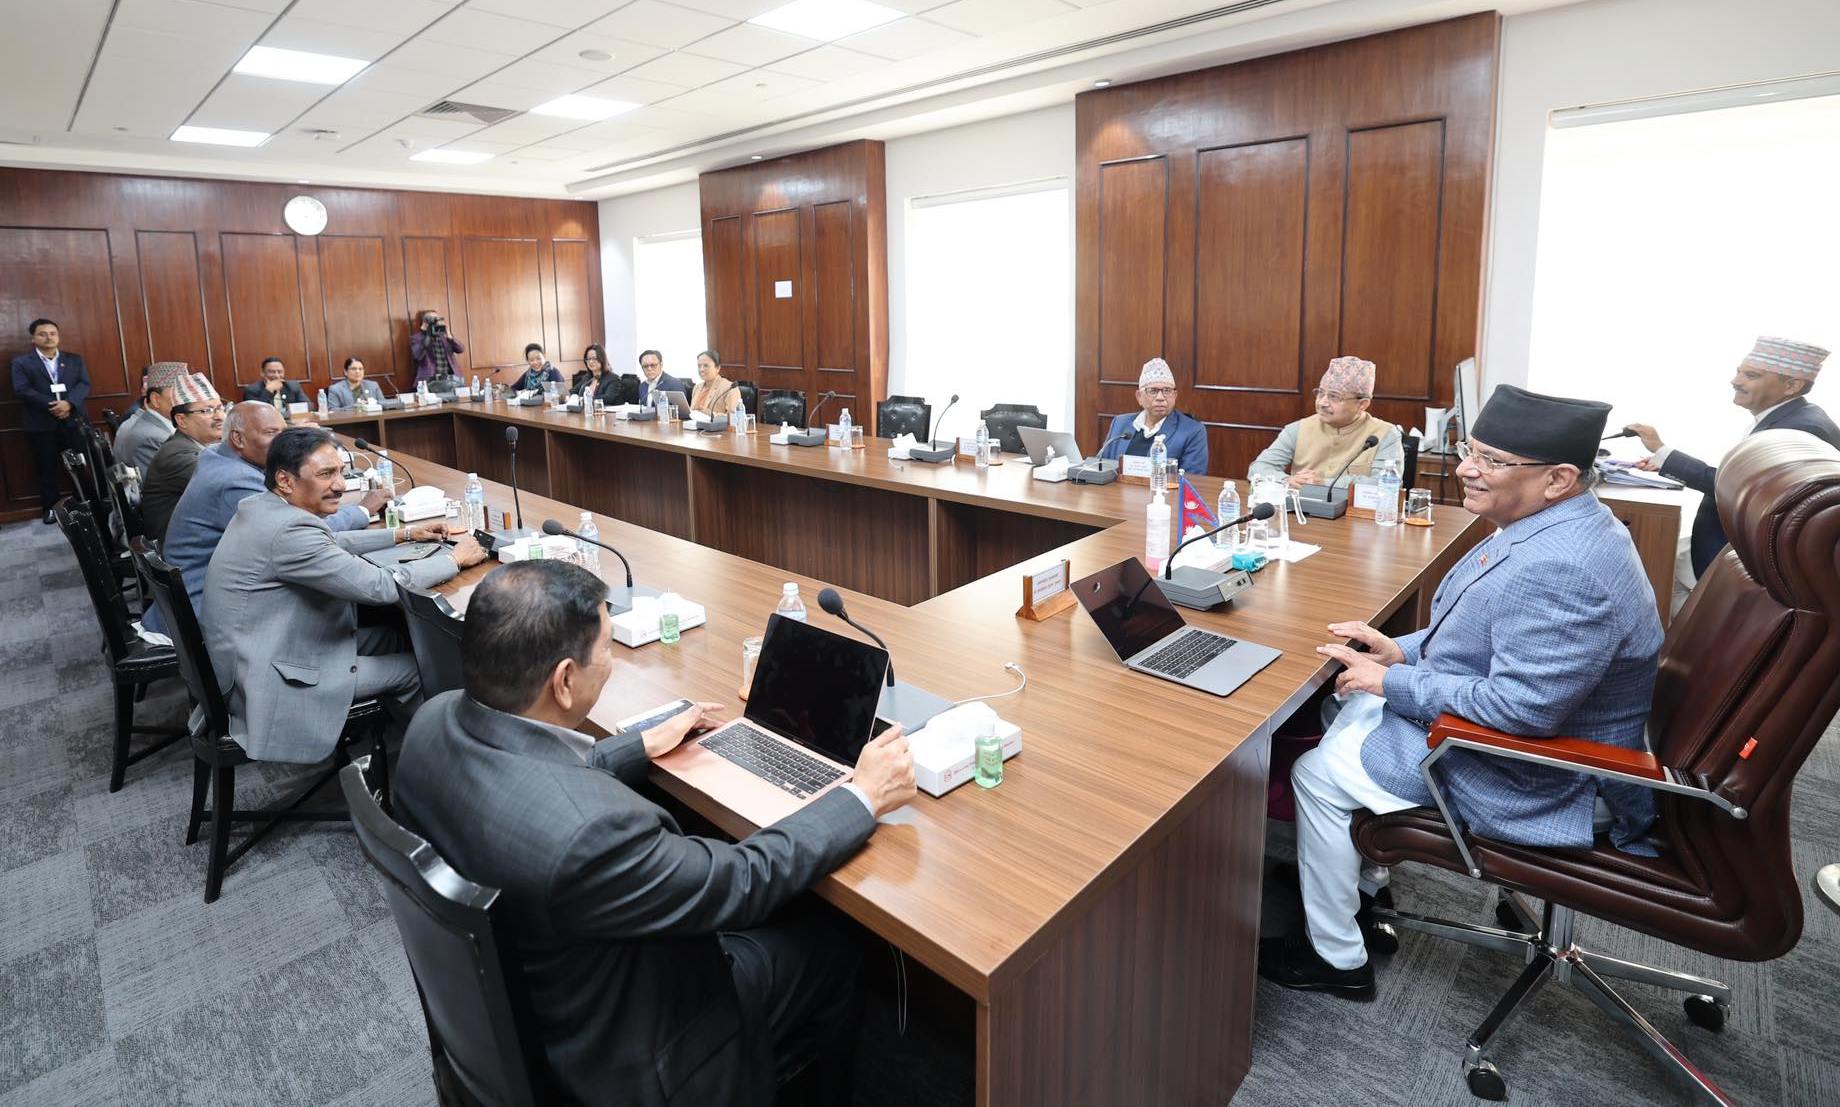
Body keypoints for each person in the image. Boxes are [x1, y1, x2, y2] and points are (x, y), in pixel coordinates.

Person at [393, 559, 918, 1105]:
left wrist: (640, 744)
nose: (610, 662)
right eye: (606, 648)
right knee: (836, 939)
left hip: (542, 999)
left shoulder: (432, 723)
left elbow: (527, 780)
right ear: (565, 681)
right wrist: (861, 796)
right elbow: (741, 880)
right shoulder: (590, 836)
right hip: (645, 1052)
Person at [1258, 385, 1662, 1002]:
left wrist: (1393, 680)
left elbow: (1520, 709)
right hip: (1529, 731)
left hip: (1542, 774)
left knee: (1316, 773)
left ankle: (1335, 956)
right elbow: (1478, 629)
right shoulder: (1556, 523)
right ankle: (1359, 883)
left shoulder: (1565, 568)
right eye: (1470, 451)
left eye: (1490, 461)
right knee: (1344, 701)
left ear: (1557, 479)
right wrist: (1400, 651)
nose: (1465, 469)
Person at [202, 427, 486, 763]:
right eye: (326, 474)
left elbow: (329, 541)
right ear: (285, 480)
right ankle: (442, 762)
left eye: (340, 472)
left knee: (395, 637)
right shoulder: (290, 531)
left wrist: (404, 534)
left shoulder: (263, 506)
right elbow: (380, 587)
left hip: (261, 650)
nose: (339, 485)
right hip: (270, 678)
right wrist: (454, 559)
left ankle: (409, 737)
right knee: (419, 669)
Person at [147, 402, 384, 635]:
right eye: (271, 433)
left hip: (197, 597)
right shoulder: (236, 480)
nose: (283, 441)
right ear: (238, 438)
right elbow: (302, 530)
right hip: (204, 612)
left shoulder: (218, 455)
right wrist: (362, 510)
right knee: (348, 603)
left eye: (284, 431)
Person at [1626, 336, 1839, 579]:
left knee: (1653, 571)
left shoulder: (1800, 429)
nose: (1735, 381)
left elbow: (1740, 491)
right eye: (1739, 372)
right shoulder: (1790, 417)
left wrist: (1663, 452)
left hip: (1742, 562)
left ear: (1792, 386)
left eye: (1751, 375)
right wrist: (1663, 459)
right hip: (1725, 548)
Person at [1248, 355, 1405, 489]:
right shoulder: (1298, 429)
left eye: (1334, 397)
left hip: (1357, 514)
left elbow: (1386, 484)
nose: (1322, 402)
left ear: (1362, 404)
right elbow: (1258, 468)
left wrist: (1323, 483)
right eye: (1320, 393)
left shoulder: (1386, 434)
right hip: (1301, 511)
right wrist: (1287, 480)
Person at [10, 318, 91, 523]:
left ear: (58, 336)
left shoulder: (74, 359)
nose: (49, 337)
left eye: (53, 333)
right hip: (41, 424)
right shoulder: (21, 363)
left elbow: (84, 384)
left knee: (80, 465)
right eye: (43, 334)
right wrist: (54, 406)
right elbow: (22, 389)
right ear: (33, 338)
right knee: (46, 468)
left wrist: (69, 404)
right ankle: (51, 509)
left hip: (73, 421)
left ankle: (85, 504)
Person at [138, 374, 224, 541]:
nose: (219, 416)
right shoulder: (177, 455)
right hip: (184, 548)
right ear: (182, 420)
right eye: (206, 411)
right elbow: (224, 486)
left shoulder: (192, 444)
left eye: (220, 408)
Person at [1097, 358, 1209, 474]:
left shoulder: (1192, 431)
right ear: (1139, 397)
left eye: (1167, 391)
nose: (1160, 397)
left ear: (1175, 395)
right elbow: (1103, 467)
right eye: (1153, 391)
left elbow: (1192, 479)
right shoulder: (1120, 423)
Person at [113, 362, 191, 478]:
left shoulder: (146, 423)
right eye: (179, 395)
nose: (187, 402)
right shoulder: (152, 438)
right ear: (155, 399)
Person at [410, 310, 464, 386]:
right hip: (430, 380)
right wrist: (427, 335)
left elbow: (461, 349)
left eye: (437, 319)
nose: (436, 322)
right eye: (433, 320)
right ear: (425, 322)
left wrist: (450, 337)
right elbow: (417, 355)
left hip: (450, 379)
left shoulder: (444, 335)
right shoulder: (417, 338)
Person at [690, 349, 743, 417]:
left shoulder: (729, 388)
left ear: (717, 368)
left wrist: (711, 414)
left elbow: (734, 417)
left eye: (706, 366)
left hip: (717, 424)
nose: (701, 369)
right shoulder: (697, 387)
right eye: (699, 366)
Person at [570, 343, 627, 408]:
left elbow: (608, 398)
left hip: (607, 413)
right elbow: (572, 392)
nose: (591, 362)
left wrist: (584, 400)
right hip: (587, 411)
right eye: (588, 359)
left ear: (602, 359)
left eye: (594, 358)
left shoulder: (613, 379)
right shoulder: (587, 378)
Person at [241, 357, 309, 407]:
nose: (277, 376)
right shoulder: (251, 390)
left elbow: (308, 406)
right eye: (272, 372)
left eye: (280, 372)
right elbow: (254, 412)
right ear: (262, 373)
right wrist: (268, 391)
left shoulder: (293, 386)